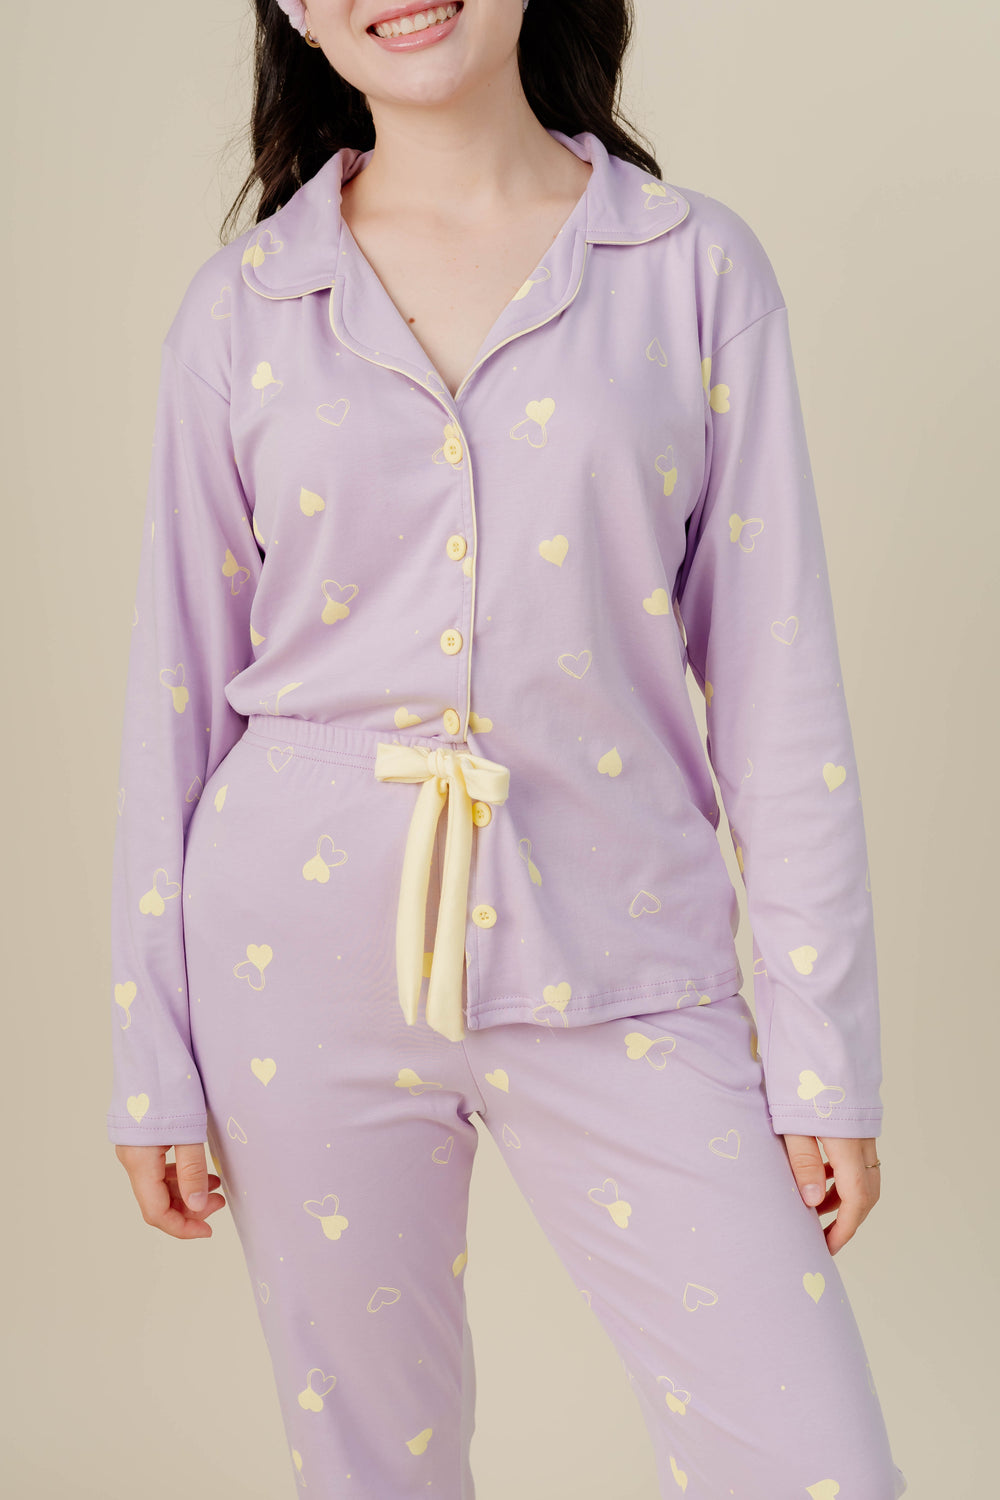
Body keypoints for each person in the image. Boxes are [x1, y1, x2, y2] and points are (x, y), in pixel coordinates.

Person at [106, 1, 908, 1494]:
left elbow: (778, 681)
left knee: (815, 1466)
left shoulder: (690, 270)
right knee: (376, 1470)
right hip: (296, 956)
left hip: (624, 944)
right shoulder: (245, 309)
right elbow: (179, 694)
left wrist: (823, 1062)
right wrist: (151, 1057)